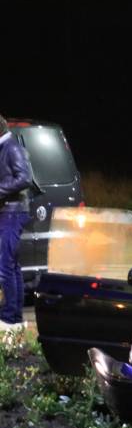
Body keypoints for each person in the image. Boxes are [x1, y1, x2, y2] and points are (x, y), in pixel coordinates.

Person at [0, 115, 33, 330]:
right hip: (10, 211)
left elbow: (25, 178)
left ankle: (9, 317)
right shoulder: (6, 147)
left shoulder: (11, 147)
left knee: (4, 266)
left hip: (13, 212)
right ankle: (15, 316)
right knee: (12, 266)